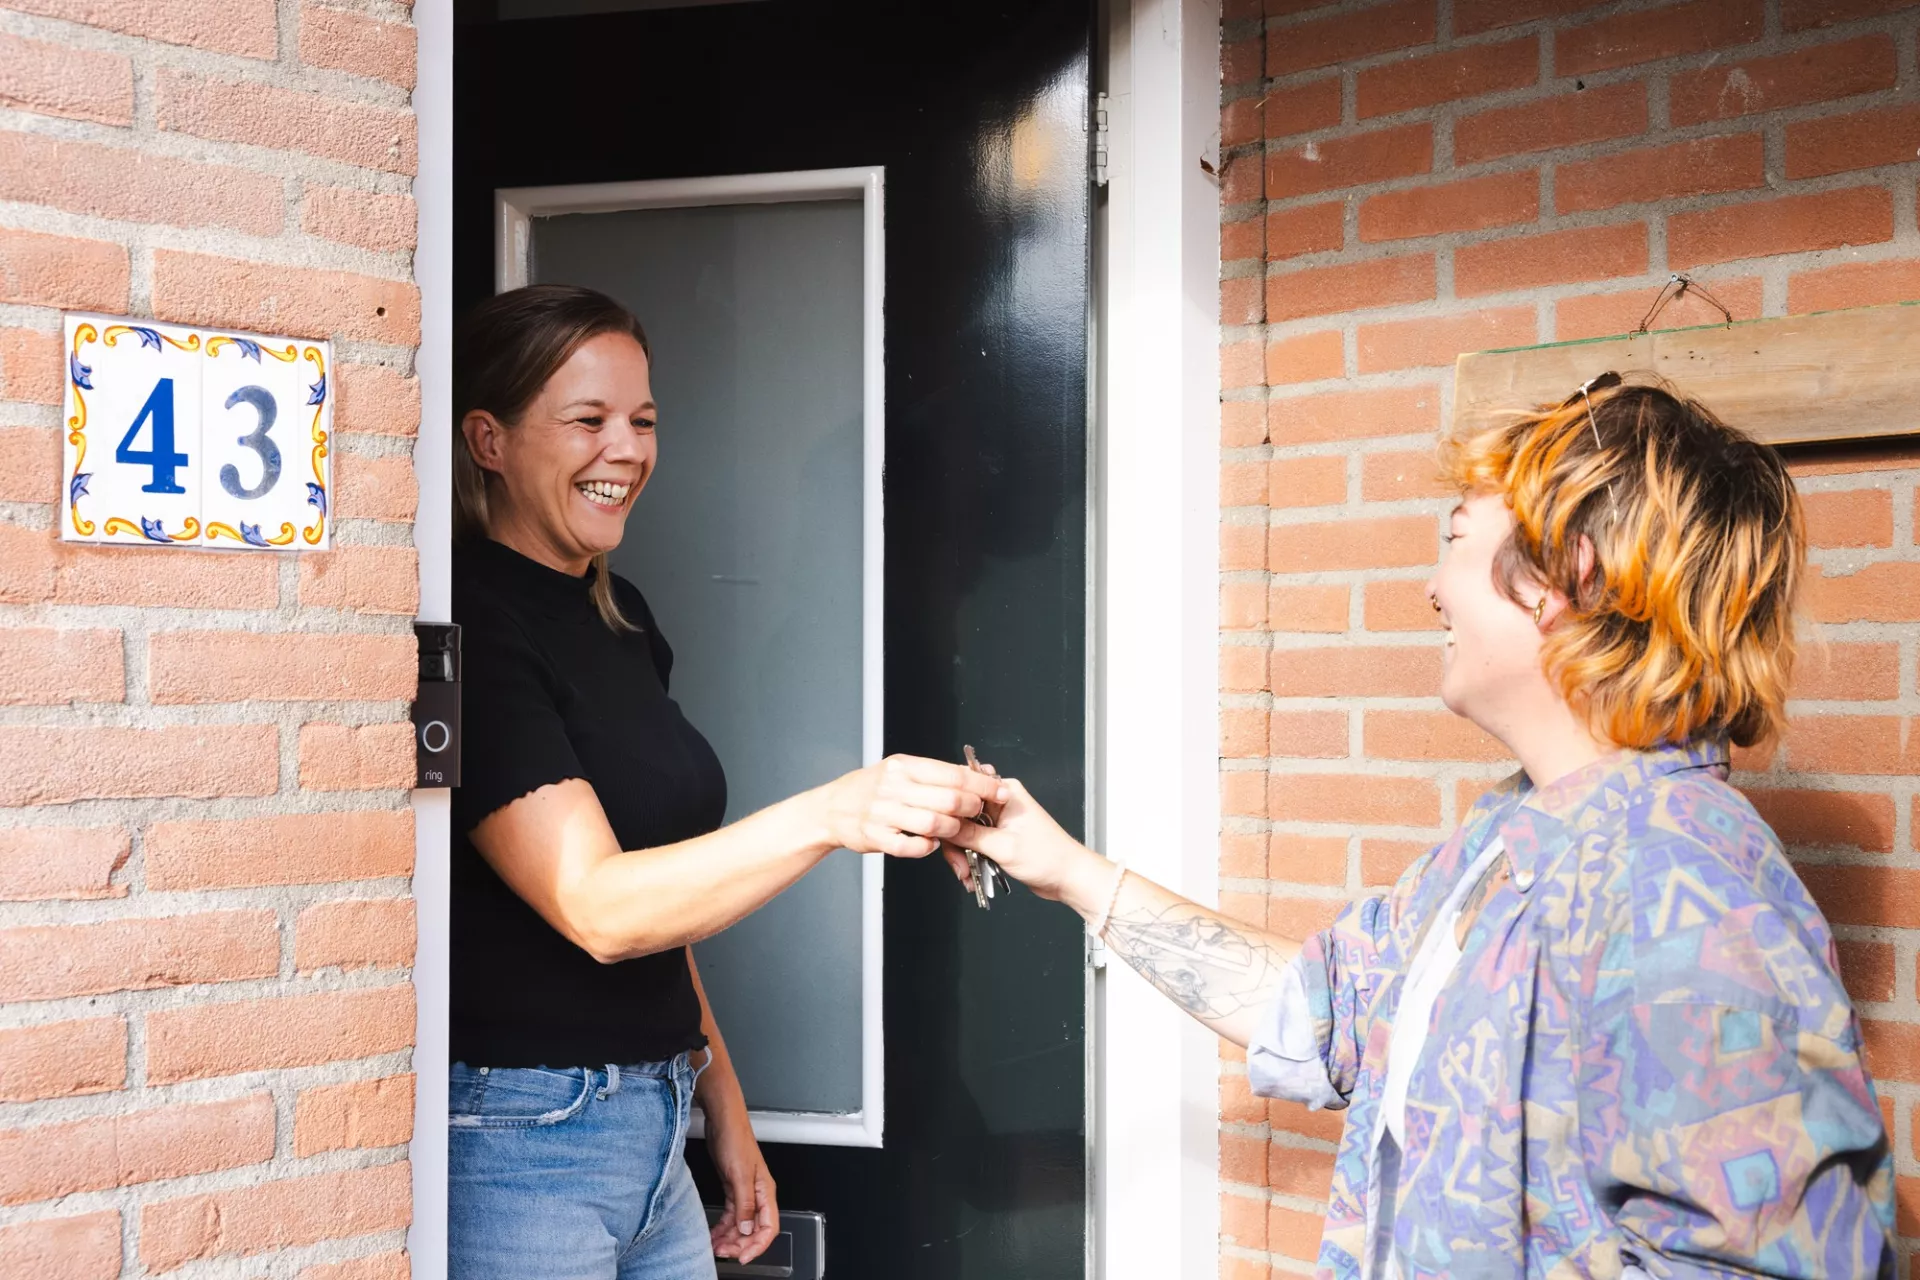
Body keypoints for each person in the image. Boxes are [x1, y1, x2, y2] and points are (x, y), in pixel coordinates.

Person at [951, 376, 1896, 1278]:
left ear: (1565, 574)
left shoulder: (1688, 892)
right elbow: (1326, 1014)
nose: (1432, 587)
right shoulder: (1514, 835)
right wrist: (1064, 868)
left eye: (1454, 538)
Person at [448, 284, 1004, 1279]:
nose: (627, 448)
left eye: (643, 419)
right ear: (488, 440)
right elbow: (599, 905)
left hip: (655, 1133)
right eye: (589, 419)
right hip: (520, 1145)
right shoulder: (477, 629)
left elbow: (667, 894)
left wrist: (724, 1111)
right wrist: (836, 811)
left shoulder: (622, 621)